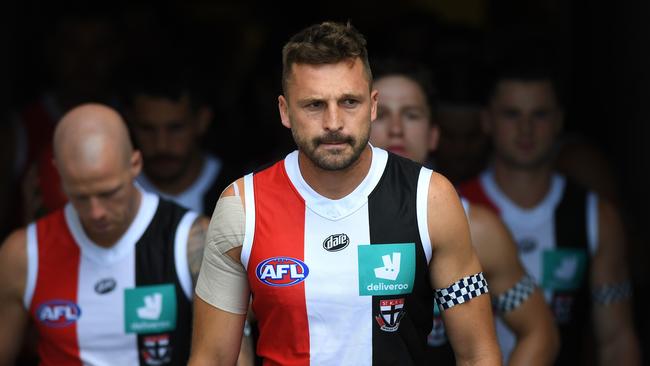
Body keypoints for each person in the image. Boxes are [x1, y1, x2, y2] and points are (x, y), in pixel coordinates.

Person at [189, 21, 501, 365]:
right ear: (284, 111)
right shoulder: (242, 206)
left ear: (372, 105)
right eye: (314, 105)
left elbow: (478, 354)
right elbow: (212, 359)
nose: (334, 122)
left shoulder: (431, 198)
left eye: (349, 102)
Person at [368, 58, 559, 365]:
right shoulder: (315, 224)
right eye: (381, 115)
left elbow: (539, 331)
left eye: (411, 115)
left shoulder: (476, 227)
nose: (396, 129)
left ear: (433, 134)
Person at [459, 63, 641, 365]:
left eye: (540, 114)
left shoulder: (595, 216)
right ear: (487, 120)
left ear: (559, 121)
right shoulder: (453, 207)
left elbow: (616, 340)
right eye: (512, 114)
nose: (526, 129)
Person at [0, 103, 208, 365]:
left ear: (135, 164)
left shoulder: (191, 240)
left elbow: (230, 355)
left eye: (109, 193)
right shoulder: (24, 255)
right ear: (59, 174)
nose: (96, 212)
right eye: (80, 197)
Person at [124, 58, 237, 216]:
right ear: (130, 123)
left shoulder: (241, 192)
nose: (161, 145)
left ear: (202, 121)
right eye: (147, 129)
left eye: (175, 128)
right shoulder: (115, 193)